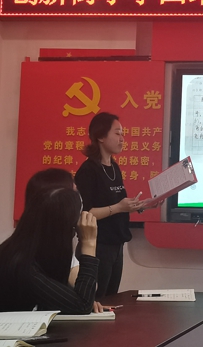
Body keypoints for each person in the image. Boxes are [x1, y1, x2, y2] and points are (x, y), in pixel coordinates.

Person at [0, 186, 98, 314]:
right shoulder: (20, 265)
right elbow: (82, 305)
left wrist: (73, 299)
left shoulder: (28, 252)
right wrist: (89, 243)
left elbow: (79, 300)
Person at [75, 112, 145, 298]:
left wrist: (143, 205)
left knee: (110, 300)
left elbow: (119, 203)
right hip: (97, 246)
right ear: (100, 136)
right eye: (117, 133)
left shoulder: (114, 167)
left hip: (116, 244)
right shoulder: (88, 170)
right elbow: (85, 214)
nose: (122, 139)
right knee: (96, 300)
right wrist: (119, 208)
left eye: (123, 134)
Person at [25, 168, 106, 312]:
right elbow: (83, 304)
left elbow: (89, 289)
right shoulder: (24, 259)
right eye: (74, 192)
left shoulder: (55, 247)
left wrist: (83, 241)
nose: (79, 199)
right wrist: (89, 243)